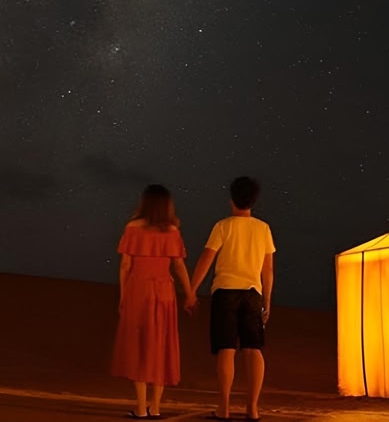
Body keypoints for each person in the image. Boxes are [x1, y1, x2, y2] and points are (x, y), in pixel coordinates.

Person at [189, 176, 276, 422]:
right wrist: (267, 302)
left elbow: (206, 259)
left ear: (231, 199)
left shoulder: (223, 226)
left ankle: (224, 408)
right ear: (254, 200)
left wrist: (192, 290)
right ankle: (253, 408)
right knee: (253, 348)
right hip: (252, 293)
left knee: (226, 349)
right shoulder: (263, 228)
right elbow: (268, 270)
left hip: (225, 292)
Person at [111, 184, 196, 419]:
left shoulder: (132, 228)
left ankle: (140, 408)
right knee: (161, 345)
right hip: (164, 290)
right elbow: (179, 265)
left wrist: (123, 295)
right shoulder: (172, 231)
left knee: (139, 346)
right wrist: (190, 293)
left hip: (138, 289)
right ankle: (156, 407)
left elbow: (125, 265)